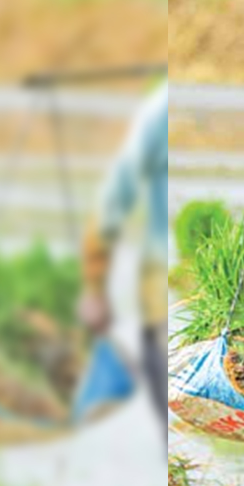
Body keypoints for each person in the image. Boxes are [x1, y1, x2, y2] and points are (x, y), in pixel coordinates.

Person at [78, 81, 169, 432]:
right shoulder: (160, 112)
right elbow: (112, 202)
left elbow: (111, 202)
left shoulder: (159, 109)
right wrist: (94, 287)